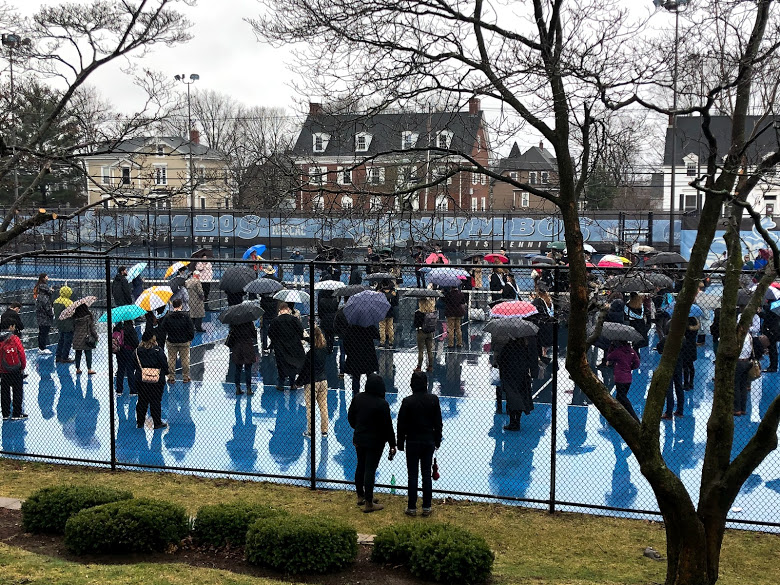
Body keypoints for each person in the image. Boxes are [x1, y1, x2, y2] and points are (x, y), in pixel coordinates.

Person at [347, 373, 396, 513]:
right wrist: (392, 444)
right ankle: (369, 502)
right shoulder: (382, 404)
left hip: (360, 439)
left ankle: (360, 496)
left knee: (360, 466)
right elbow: (388, 426)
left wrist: (357, 429)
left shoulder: (358, 398)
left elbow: (350, 417)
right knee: (370, 469)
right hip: (376, 442)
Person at [397, 371, 442, 517]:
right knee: (426, 475)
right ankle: (427, 506)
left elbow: (401, 424)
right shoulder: (433, 400)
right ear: (426, 384)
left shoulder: (407, 401)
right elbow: (438, 423)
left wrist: (400, 443)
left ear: (412, 384)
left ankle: (412, 507)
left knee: (412, 475)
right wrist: (437, 440)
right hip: (428, 441)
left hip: (412, 441)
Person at [497, 335, 538, 431]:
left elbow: (501, 360)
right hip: (522, 375)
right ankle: (517, 421)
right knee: (520, 397)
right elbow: (532, 358)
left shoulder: (508, 346)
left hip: (509, 375)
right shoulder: (526, 346)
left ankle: (512, 422)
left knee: (510, 398)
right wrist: (533, 373)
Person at [297, 326, 329, 437]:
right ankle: (324, 430)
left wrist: (298, 382)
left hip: (312, 382)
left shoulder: (310, 353)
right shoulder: (324, 350)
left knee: (310, 408)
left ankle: (310, 431)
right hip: (323, 380)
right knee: (323, 406)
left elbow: (305, 370)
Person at [134, 329, 169, 429]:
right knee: (155, 401)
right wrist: (166, 373)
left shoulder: (137, 351)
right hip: (156, 380)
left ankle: (140, 422)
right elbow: (164, 364)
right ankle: (157, 422)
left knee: (142, 401)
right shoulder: (158, 350)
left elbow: (134, 364)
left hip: (141, 379)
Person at [268, 302, 305, 390]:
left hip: (280, 347)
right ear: (288, 309)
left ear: (280, 310)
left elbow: (270, 333)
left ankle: (281, 384)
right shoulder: (294, 319)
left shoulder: (275, 321)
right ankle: (292, 384)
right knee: (292, 364)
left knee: (281, 364)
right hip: (293, 345)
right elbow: (300, 331)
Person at [159, 298, 195, 383]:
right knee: (185, 359)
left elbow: (163, 329)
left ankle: (171, 377)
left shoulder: (168, 316)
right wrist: (190, 338)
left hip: (171, 341)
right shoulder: (186, 316)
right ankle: (185, 377)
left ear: (173, 305)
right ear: (181, 305)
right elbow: (191, 329)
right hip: (184, 341)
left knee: (171, 359)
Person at [605, 340, 641, 422]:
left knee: (622, 397)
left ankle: (634, 417)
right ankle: (616, 418)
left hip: (619, 378)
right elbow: (637, 363)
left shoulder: (618, 351)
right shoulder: (632, 351)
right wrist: (630, 367)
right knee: (620, 397)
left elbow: (609, 357)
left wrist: (611, 347)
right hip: (628, 378)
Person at [0, 318, 27, 420]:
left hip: (3, 371)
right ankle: (16, 413)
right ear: (11, 326)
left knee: (4, 393)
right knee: (17, 391)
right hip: (16, 370)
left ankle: (5, 414)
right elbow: (21, 353)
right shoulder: (14, 338)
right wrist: (22, 367)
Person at [343, 323, 380, 393]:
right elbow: (377, 336)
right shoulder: (369, 325)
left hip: (355, 355)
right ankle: (370, 393)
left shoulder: (352, 326)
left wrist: (349, 353)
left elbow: (346, 341)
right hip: (368, 355)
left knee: (356, 377)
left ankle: (356, 395)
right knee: (370, 376)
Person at [225, 319, 257, 395]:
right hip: (247, 346)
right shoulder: (249, 322)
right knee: (248, 369)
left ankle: (238, 388)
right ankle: (249, 388)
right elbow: (254, 335)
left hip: (237, 348)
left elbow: (232, 336)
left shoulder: (234, 324)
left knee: (238, 369)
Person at [114, 319, 139, 395]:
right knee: (130, 371)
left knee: (120, 370)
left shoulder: (117, 328)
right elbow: (136, 342)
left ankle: (119, 390)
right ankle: (133, 390)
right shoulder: (131, 329)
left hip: (119, 352)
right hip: (129, 352)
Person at [72, 303, 97, 375]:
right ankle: (89, 369)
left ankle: (78, 368)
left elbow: (73, 328)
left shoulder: (74, 318)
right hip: (86, 338)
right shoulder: (88, 318)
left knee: (78, 353)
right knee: (88, 353)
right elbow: (92, 329)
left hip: (77, 338)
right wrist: (96, 336)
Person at [413, 297, 436, 372]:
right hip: (430, 332)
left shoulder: (418, 313)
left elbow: (415, 324)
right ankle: (431, 366)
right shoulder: (432, 312)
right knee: (429, 350)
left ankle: (419, 367)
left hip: (421, 332)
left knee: (421, 350)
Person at [53, 285, 75, 364]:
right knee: (67, 341)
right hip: (68, 324)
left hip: (60, 323)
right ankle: (65, 357)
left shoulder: (56, 301)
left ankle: (58, 356)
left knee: (61, 340)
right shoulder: (69, 302)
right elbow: (72, 313)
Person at [33, 273, 54, 354]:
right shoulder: (44, 297)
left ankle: (41, 347)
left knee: (41, 333)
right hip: (45, 318)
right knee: (44, 333)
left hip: (40, 317)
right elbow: (47, 308)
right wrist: (52, 314)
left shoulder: (39, 296)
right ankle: (42, 348)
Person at [377, 279, 398, 347]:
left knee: (382, 327)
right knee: (390, 327)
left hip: (382, 312)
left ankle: (382, 341)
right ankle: (391, 341)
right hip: (390, 312)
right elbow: (395, 303)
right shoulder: (393, 293)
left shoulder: (380, 293)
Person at [681, 317, 699, 390]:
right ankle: (691, 383)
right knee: (691, 366)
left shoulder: (685, 329)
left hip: (685, 348)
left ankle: (686, 383)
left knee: (685, 367)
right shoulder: (696, 329)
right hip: (692, 348)